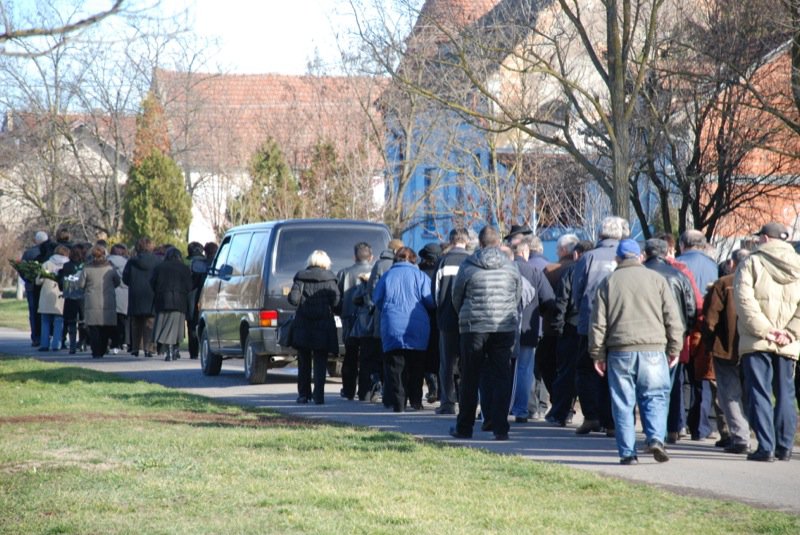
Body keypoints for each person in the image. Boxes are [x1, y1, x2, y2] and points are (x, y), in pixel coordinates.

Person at [590, 239, 684, 465]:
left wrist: (597, 354)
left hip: (620, 350)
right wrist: (675, 348)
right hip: (653, 348)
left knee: (623, 402)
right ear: (640, 256)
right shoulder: (657, 280)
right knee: (656, 396)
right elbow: (672, 318)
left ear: (617, 259)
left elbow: (598, 323)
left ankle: (627, 453)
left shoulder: (608, 282)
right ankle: (655, 438)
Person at [734, 222, 800, 462]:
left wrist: (765, 330)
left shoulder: (751, 262)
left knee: (759, 392)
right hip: (788, 343)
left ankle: (766, 447)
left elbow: (743, 301)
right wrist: (789, 333)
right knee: (786, 394)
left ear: (765, 238)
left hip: (757, 340)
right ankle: (785, 446)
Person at [449, 226, 522, 441]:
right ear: (499, 243)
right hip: (504, 326)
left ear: (479, 243)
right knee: (502, 376)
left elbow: (457, 296)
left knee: (470, 377)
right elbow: (517, 296)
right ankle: (501, 427)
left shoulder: (468, 266)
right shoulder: (511, 267)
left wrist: (465, 315)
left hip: (474, 326)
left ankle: (465, 427)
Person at [573, 216, 630, 435]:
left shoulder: (588, 258)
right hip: (619, 323)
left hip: (590, 323)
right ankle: (612, 421)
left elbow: (578, 292)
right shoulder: (626, 256)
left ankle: (591, 417)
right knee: (614, 372)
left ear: (599, 234)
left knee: (586, 370)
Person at [373, 247, 434, 412]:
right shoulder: (420, 276)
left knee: (395, 367)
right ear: (414, 260)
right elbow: (430, 301)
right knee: (417, 366)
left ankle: (399, 403)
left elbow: (377, 299)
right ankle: (415, 400)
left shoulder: (387, 276)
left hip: (392, 325)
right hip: (417, 326)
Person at [703, 248, 751, 455]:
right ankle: (761, 434)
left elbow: (710, 319)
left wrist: (709, 344)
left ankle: (740, 437)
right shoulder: (758, 283)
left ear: (732, 263)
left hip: (726, 347)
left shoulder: (724, 284)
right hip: (753, 347)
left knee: (730, 394)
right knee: (752, 392)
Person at [677, 229, 720, 442]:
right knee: (702, 378)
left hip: (682, 326)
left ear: (682, 244)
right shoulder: (714, 266)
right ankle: (701, 426)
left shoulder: (677, 264)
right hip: (706, 327)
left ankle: (680, 422)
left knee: (681, 376)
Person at [546, 240, 593, 426]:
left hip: (572, 325)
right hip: (595, 325)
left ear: (576, 254)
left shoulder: (571, 271)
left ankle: (561, 412)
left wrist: (557, 326)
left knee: (566, 372)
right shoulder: (598, 269)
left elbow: (562, 300)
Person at [510, 235, 555, 423]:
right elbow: (549, 299)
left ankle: (496, 407)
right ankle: (521, 410)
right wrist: (539, 315)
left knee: (503, 368)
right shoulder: (535, 272)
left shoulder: (505, 270)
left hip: (505, 328)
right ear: (525, 252)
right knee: (525, 369)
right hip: (529, 327)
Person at [289, 250, 341, 405]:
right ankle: (319, 396)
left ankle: (303, 394)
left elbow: (293, 300)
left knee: (303, 362)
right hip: (323, 326)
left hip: (303, 325)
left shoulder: (300, 277)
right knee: (320, 362)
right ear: (326, 262)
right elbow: (337, 304)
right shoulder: (331, 280)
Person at [434, 228, 471, 415]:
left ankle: (448, 402)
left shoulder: (443, 261)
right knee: (467, 362)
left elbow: (435, 292)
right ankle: (467, 401)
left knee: (447, 363)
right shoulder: (472, 260)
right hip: (468, 318)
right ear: (467, 240)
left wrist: (440, 310)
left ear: (450, 240)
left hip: (447, 318)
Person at [364, 238, 404, 405]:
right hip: (401, 316)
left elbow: (371, 291)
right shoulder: (405, 265)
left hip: (381, 316)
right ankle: (392, 390)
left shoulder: (379, 265)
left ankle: (378, 386)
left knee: (380, 355)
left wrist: (373, 309)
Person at [337, 242, 374, 400]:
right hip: (369, 319)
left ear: (354, 256)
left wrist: (341, 312)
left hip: (349, 318)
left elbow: (338, 299)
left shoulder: (344, 273)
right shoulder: (375, 272)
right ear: (371, 257)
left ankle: (348, 389)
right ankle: (365, 390)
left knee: (350, 356)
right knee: (367, 356)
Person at [150, 247, 192, 361]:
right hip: (179, 300)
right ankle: (173, 349)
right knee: (177, 328)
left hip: (163, 300)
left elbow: (152, 283)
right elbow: (189, 286)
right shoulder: (184, 268)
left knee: (163, 325)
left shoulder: (159, 267)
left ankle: (167, 349)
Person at [79, 245, 120, 358]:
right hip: (107, 300)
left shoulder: (87, 268)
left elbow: (81, 284)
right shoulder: (110, 268)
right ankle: (102, 349)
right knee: (105, 327)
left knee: (94, 329)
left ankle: (96, 351)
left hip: (92, 300)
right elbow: (117, 282)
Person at [123, 237, 160, 358]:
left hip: (135, 294)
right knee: (149, 323)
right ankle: (149, 348)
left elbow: (125, 279)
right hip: (151, 294)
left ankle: (135, 348)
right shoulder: (157, 261)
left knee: (136, 323)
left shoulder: (132, 261)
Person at [418, 242, 442, 404]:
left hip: (422, 316)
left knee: (425, 354)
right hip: (440, 316)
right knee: (439, 354)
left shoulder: (419, 272)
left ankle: (432, 386)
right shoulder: (442, 270)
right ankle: (440, 388)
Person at [36, 245, 70, 351]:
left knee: (45, 321)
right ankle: (56, 344)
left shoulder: (46, 264)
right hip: (60, 294)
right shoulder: (67, 265)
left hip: (47, 293)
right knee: (59, 321)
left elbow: (38, 281)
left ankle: (44, 344)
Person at [21, 231, 49, 347]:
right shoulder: (49, 252)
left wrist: (28, 278)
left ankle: (36, 337)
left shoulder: (28, 253)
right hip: (46, 286)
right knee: (46, 312)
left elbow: (21, 268)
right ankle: (46, 336)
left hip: (32, 286)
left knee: (33, 312)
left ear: (36, 240)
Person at [58, 245, 86, 354]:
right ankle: (82, 343)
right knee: (83, 322)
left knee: (71, 323)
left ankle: (72, 346)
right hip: (82, 297)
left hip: (70, 297)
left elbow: (62, 282)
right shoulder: (85, 266)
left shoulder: (66, 266)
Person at [186, 242, 209, 359]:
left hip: (191, 297)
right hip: (204, 297)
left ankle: (193, 352)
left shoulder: (188, 263)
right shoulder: (208, 263)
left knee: (191, 325)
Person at [107, 244, 129, 354]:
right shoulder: (127, 263)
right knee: (122, 320)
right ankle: (122, 341)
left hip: (109, 293)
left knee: (110, 320)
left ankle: (112, 342)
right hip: (124, 293)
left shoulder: (106, 262)